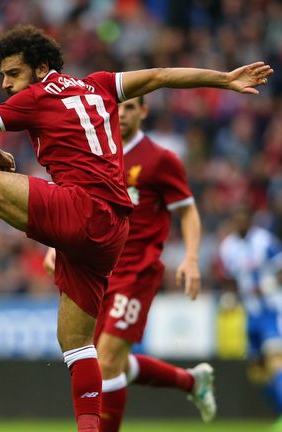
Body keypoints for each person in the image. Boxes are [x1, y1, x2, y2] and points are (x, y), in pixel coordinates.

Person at [0, 25, 271, 431]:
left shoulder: (37, 95)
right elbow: (159, 75)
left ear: (42, 68)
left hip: (86, 211)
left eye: (13, 73)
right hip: (112, 234)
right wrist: (224, 79)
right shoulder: (98, 84)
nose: (5, 83)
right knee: (77, 345)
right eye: (3, 74)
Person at [43, 96, 213, 432]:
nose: (122, 113)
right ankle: (192, 382)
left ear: (144, 112)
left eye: (131, 107)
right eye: (117, 107)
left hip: (137, 271)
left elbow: (188, 211)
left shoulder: (160, 160)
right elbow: (77, 205)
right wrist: (58, 245)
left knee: (105, 361)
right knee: (108, 361)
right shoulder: (98, 155)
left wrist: (191, 258)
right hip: (98, 271)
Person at [219, 206, 282, 432]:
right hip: (251, 313)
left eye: (242, 219)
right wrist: (231, 296)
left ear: (249, 221)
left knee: (277, 357)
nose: (239, 224)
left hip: (272, 309)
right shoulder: (228, 247)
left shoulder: (264, 240)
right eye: (235, 220)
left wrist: (271, 283)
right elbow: (231, 279)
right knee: (257, 370)